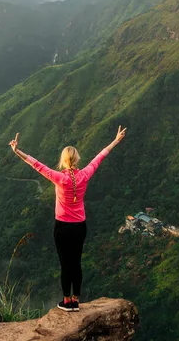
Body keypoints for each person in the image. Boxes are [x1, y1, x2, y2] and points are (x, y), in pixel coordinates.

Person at [9, 125, 127, 312]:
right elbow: (100, 156)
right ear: (77, 158)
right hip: (80, 226)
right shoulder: (85, 175)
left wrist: (17, 151)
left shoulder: (58, 178)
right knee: (76, 263)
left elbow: (36, 164)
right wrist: (116, 140)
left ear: (63, 161)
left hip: (62, 227)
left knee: (65, 265)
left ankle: (67, 302)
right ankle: (76, 300)